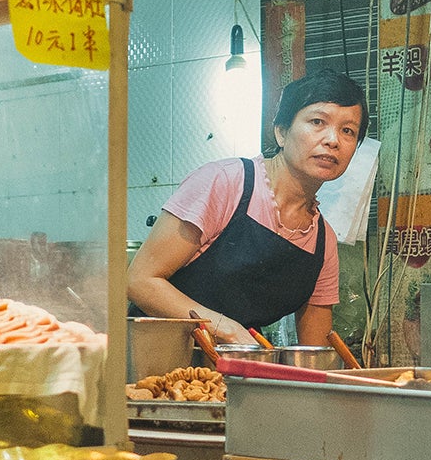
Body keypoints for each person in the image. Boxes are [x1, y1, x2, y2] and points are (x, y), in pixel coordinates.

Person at [127, 69, 363, 346]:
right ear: (282, 132)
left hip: (234, 377)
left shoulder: (323, 244)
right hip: (152, 362)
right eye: (317, 121)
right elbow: (140, 280)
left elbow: (316, 355)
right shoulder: (225, 182)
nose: (333, 140)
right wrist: (223, 328)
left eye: (348, 131)